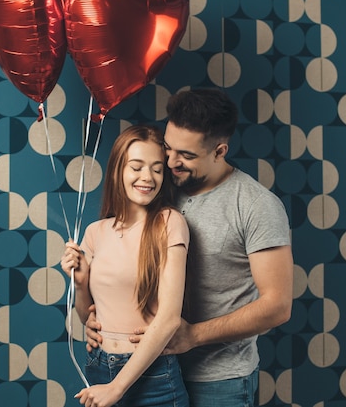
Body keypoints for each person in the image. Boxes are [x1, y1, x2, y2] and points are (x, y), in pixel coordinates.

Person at [84, 89, 294, 406]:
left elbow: (277, 306)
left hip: (219, 380)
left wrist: (193, 335)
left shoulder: (255, 206)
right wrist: (97, 319)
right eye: (168, 148)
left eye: (186, 155)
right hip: (151, 370)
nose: (170, 162)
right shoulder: (161, 188)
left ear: (219, 151)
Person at [61, 124, 190, 407]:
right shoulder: (95, 231)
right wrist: (81, 283)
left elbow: (169, 319)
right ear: (119, 170)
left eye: (157, 169)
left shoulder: (169, 223)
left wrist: (116, 388)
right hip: (98, 365)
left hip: (154, 376)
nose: (148, 177)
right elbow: (88, 318)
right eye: (137, 167)